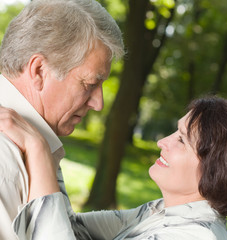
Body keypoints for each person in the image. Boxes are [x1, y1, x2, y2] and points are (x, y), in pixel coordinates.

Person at [1, 96, 227, 240]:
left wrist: (38, 149)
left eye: (182, 140)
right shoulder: (158, 212)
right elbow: (73, 230)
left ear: (215, 170)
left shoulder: (194, 237)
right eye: (175, 131)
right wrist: (46, 145)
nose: (162, 142)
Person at [0, 0, 124, 239]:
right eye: (89, 84)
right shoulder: (7, 161)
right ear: (38, 71)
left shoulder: (26, 146)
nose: (98, 104)